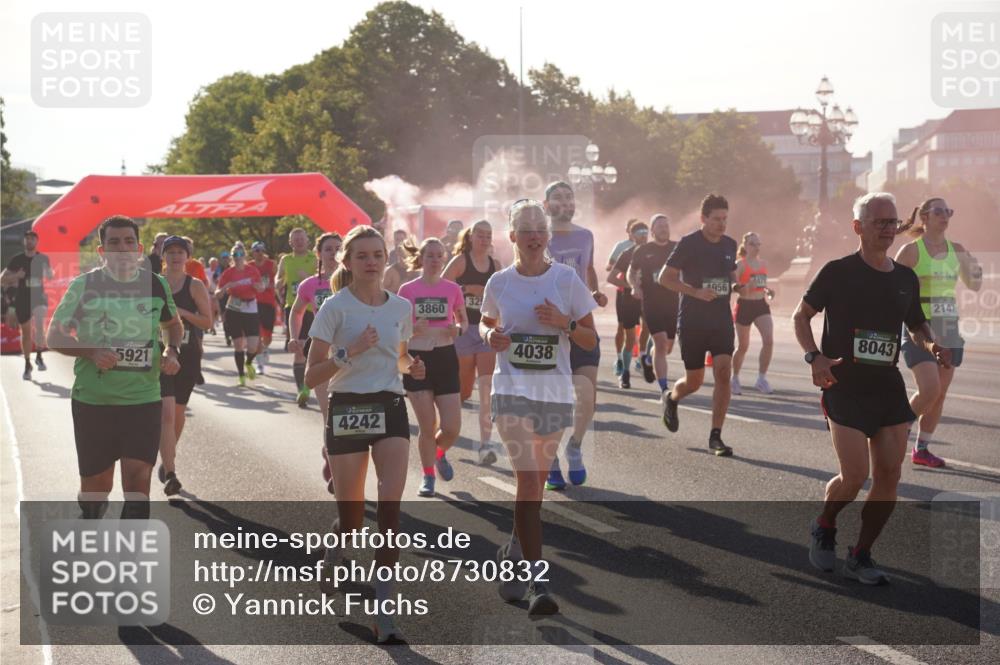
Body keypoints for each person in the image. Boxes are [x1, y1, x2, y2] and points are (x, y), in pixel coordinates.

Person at [794, 192, 950, 585]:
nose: (887, 229)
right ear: (858, 227)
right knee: (853, 476)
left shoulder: (904, 278)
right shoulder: (837, 271)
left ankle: (861, 553)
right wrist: (814, 357)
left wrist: (931, 344)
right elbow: (801, 315)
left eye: (892, 222)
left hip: (886, 386)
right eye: (879, 222)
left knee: (889, 475)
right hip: (843, 384)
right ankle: (825, 523)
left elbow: (916, 323)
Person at [305, 225, 424, 643]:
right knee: (353, 519)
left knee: (390, 511)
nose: (371, 262)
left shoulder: (401, 307)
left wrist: (413, 367)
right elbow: (311, 374)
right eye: (362, 256)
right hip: (348, 409)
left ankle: (383, 612)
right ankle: (335, 551)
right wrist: (349, 351)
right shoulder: (335, 307)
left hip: (389, 405)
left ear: (386, 259)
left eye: (377, 255)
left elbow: (401, 357)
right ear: (348, 262)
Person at [480, 199, 598, 615]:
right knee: (529, 483)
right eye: (526, 229)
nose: (533, 236)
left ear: (548, 236)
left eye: (540, 229)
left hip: (553, 392)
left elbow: (589, 339)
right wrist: (490, 336)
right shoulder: (500, 283)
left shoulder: (566, 280)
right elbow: (486, 321)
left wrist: (564, 323)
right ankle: (538, 583)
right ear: (512, 236)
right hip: (511, 390)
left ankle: (515, 550)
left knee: (532, 490)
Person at [47, 215, 182, 520]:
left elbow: (173, 325)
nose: (122, 248)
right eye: (114, 242)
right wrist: (91, 351)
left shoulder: (155, 284)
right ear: (102, 250)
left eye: (129, 241)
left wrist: (172, 350)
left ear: (139, 249)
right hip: (95, 403)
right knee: (96, 489)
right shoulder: (84, 285)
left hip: (143, 401)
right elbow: (54, 336)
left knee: (138, 484)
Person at [895, 197, 982, 468]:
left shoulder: (957, 250)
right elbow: (891, 288)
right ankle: (899, 428)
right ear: (925, 217)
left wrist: (975, 269)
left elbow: (975, 285)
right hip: (919, 326)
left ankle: (921, 449)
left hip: (948, 325)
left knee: (940, 393)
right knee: (929, 389)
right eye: (939, 211)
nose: (945, 216)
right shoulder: (911, 251)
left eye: (948, 211)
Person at [658, 194, 739, 456]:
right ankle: (672, 398)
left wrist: (738, 285)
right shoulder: (689, 243)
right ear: (703, 218)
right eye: (716, 219)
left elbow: (730, 274)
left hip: (721, 319)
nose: (722, 224)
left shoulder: (730, 244)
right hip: (692, 320)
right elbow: (665, 278)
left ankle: (716, 436)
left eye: (725, 219)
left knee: (723, 373)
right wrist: (695, 292)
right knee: (694, 381)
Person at [543, 181, 607, 489]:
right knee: (553, 400)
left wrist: (594, 291)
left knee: (587, 395)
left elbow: (588, 268)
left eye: (569, 197)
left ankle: (575, 446)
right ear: (546, 205)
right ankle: (551, 460)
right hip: (549, 326)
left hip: (581, 322)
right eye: (557, 197)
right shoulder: (539, 239)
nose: (565, 202)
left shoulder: (585, 235)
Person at [399, 238, 467, 497]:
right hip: (417, 359)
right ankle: (428, 476)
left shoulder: (453, 289)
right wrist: (412, 328)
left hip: (446, 358)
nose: (436, 260)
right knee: (427, 427)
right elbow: (396, 326)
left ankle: (438, 453)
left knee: (452, 428)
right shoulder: (407, 290)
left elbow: (464, 321)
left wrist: (458, 329)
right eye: (430, 256)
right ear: (421, 259)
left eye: (440, 255)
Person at [443, 220, 504, 464]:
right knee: (464, 391)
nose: (484, 239)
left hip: (486, 330)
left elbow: (503, 295)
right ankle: (446, 432)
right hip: (465, 329)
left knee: (486, 389)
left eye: (488, 235)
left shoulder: (495, 265)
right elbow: (442, 289)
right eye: (480, 234)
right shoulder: (461, 261)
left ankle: (486, 445)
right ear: (470, 236)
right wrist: (466, 288)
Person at [157, 236, 212, 496]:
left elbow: (207, 322)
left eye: (180, 252)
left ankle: (168, 454)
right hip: (161, 354)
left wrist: (181, 313)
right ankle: (171, 472)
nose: (176, 257)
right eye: (171, 252)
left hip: (188, 356)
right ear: (163, 256)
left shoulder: (195, 285)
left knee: (178, 411)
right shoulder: (155, 283)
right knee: (166, 413)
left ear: (187, 257)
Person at [290, 233, 342, 412]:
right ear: (319, 254)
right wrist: (294, 337)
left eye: (338, 249)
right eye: (328, 249)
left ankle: (306, 385)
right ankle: (306, 387)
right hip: (321, 344)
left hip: (350, 343)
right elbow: (296, 311)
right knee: (328, 410)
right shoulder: (309, 284)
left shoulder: (356, 281)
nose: (334, 252)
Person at [628, 214, 678, 396]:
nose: (664, 228)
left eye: (666, 225)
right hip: (652, 302)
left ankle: (649, 358)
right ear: (652, 230)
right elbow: (631, 272)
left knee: (667, 348)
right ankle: (664, 389)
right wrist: (634, 286)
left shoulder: (677, 248)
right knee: (661, 342)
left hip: (674, 303)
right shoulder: (643, 250)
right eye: (660, 226)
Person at [1, 230, 53, 380]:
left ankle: (39, 356)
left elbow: (50, 275)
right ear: (24, 241)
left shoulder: (43, 258)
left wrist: (49, 273)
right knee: (26, 333)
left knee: (40, 323)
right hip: (22, 298)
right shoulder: (16, 259)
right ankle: (27, 363)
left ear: (37, 242)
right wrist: (16, 276)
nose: (29, 241)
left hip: (38, 296)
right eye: (27, 239)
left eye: (32, 239)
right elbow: (2, 279)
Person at [732, 232, 775, 395]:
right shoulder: (740, 264)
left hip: (760, 305)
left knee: (769, 340)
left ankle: (761, 379)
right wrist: (743, 287)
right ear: (745, 246)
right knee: (743, 346)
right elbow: (734, 286)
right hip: (744, 306)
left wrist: (768, 290)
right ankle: (735, 378)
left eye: (758, 244)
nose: (756, 247)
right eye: (752, 244)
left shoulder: (763, 264)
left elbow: (761, 284)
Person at [607, 221, 648, 389]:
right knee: (630, 338)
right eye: (640, 233)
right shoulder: (626, 253)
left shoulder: (654, 251)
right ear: (632, 236)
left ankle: (642, 359)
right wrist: (631, 286)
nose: (644, 236)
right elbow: (611, 277)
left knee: (648, 330)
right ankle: (625, 372)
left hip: (648, 299)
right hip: (629, 299)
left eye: (646, 233)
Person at [217, 244, 263, 386]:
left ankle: (248, 363)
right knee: (238, 345)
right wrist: (225, 288)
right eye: (235, 255)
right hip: (234, 308)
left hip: (250, 307)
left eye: (241, 254)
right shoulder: (228, 273)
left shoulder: (252, 270)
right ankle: (241, 376)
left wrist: (258, 287)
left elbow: (261, 287)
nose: (238, 257)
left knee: (253, 346)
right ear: (232, 257)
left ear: (245, 256)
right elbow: (217, 294)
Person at [605, 218, 639, 377]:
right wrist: (620, 267)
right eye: (632, 229)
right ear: (628, 231)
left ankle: (641, 357)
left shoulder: (646, 246)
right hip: (623, 290)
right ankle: (619, 359)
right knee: (622, 327)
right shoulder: (621, 246)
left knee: (645, 326)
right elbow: (609, 267)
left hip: (642, 291)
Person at [276, 227, 314, 357]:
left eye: (302, 239)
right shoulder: (286, 259)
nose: (299, 242)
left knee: (310, 346)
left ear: (307, 240)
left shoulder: (315, 258)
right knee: (299, 346)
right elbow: (278, 277)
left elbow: (323, 279)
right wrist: (278, 282)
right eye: (296, 240)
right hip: (293, 306)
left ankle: (309, 367)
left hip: (312, 307)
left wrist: (307, 278)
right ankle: (301, 368)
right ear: (290, 242)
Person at [250, 241, 278, 375]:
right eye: (257, 250)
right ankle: (260, 364)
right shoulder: (249, 266)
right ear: (252, 252)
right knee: (257, 334)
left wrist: (274, 285)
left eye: (261, 250)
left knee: (268, 336)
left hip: (269, 303)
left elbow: (279, 279)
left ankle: (265, 348)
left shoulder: (271, 265)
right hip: (253, 303)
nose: (259, 253)